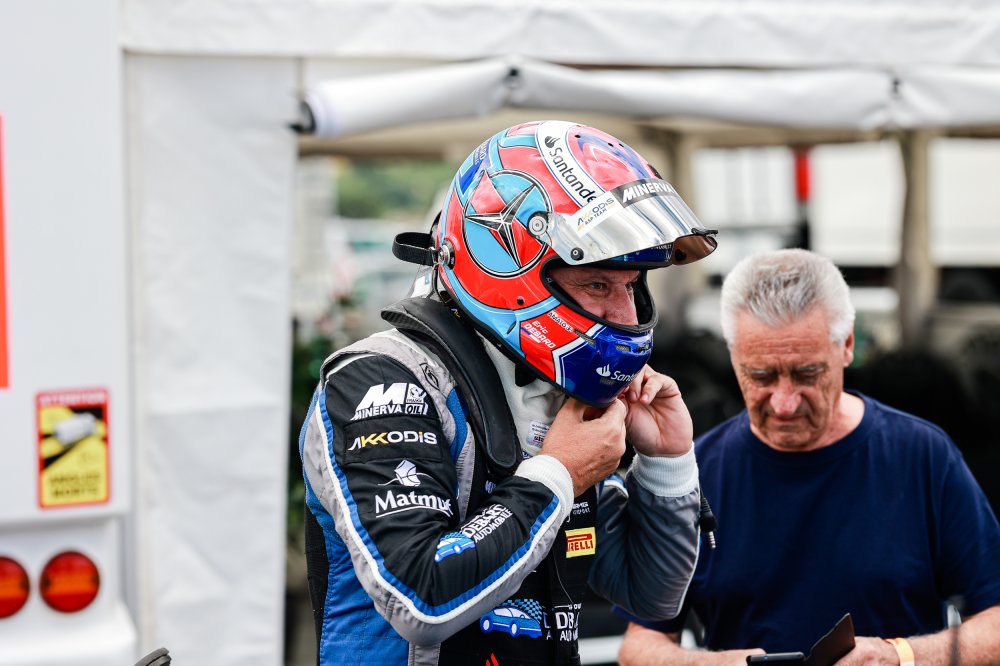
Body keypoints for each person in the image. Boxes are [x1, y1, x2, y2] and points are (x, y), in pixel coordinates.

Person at [297, 120, 720, 665]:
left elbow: (652, 595)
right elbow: (419, 597)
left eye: (632, 285)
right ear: (506, 270)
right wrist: (558, 473)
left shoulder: (552, 390)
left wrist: (667, 462)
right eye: (597, 284)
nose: (623, 313)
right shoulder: (379, 381)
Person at [617, 248, 1000, 666]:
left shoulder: (922, 456)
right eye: (761, 376)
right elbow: (639, 647)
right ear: (733, 354)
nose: (784, 402)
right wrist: (721, 664)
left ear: (847, 346)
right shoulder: (690, 475)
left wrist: (900, 655)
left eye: (807, 374)